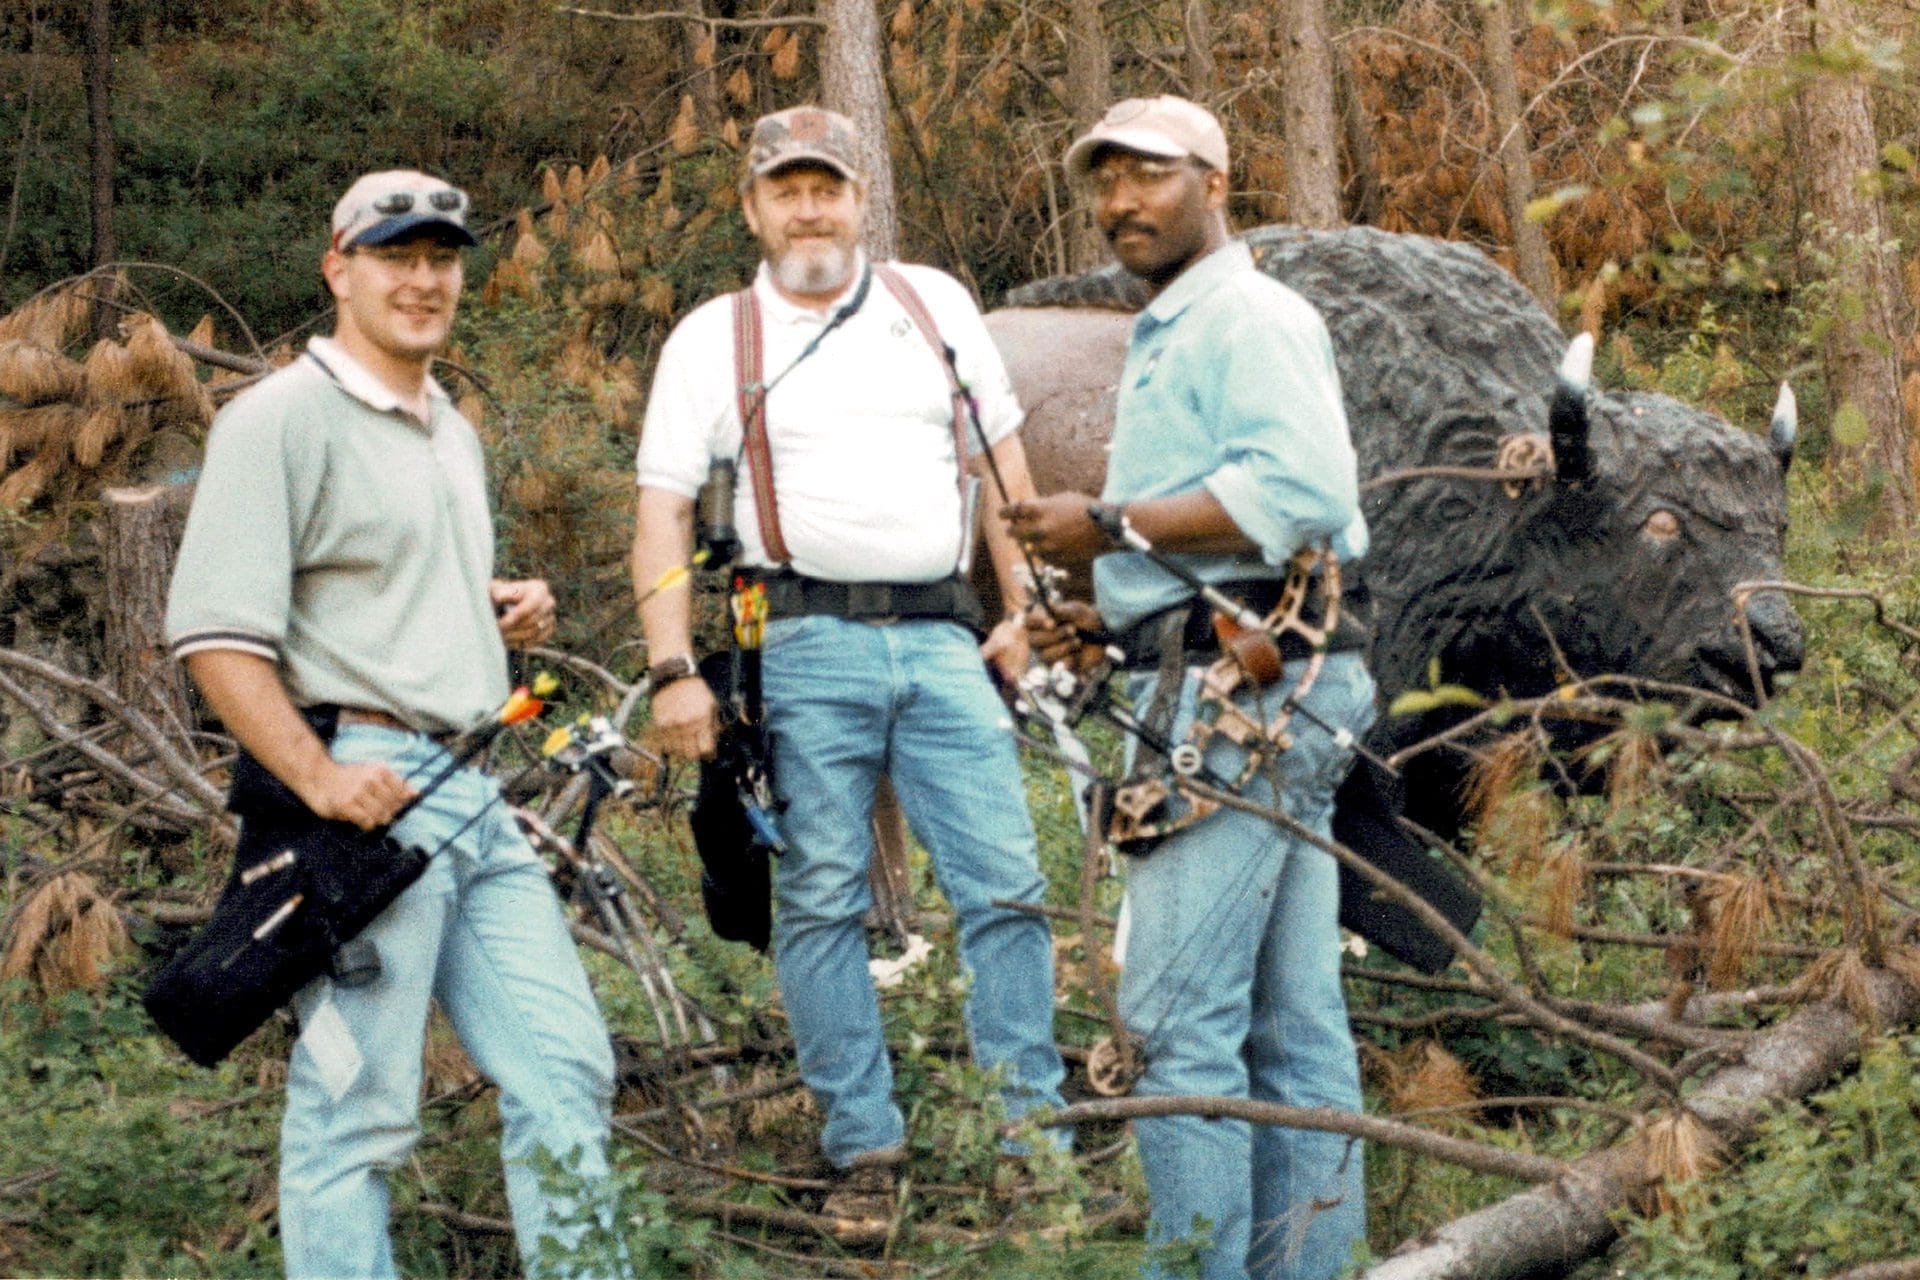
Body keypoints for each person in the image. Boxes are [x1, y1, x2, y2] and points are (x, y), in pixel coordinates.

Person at [165, 170, 623, 1279]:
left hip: (473, 784)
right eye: (395, 255)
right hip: (365, 794)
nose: (423, 279)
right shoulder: (277, 416)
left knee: (566, 1067)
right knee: (355, 1110)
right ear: (339, 268)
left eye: (442, 257)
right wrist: (320, 779)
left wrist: (497, 602)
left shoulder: (448, 430)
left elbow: (380, 589)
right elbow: (216, 635)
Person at [631, 105, 1067, 1211]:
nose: (810, 205)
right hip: (801, 644)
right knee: (821, 896)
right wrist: (675, 666)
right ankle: (863, 1149)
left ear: (861, 199)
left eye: (828, 185)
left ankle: (1032, 1135)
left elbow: (1005, 475)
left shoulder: (936, 308)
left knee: (1007, 883)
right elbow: (661, 514)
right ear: (753, 208)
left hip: (942, 632)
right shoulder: (710, 338)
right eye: (787, 188)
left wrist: (1024, 610)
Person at [1008, 96, 1374, 1280]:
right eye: (1104, 179)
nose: (1121, 200)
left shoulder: (1250, 316)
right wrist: (1109, 621)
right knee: (1293, 1026)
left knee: (1174, 1028)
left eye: (1150, 175)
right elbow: (1218, 544)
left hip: (1248, 704)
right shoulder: (1174, 327)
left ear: (1216, 180)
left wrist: (1108, 519)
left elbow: (1301, 489)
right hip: (1255, 682)